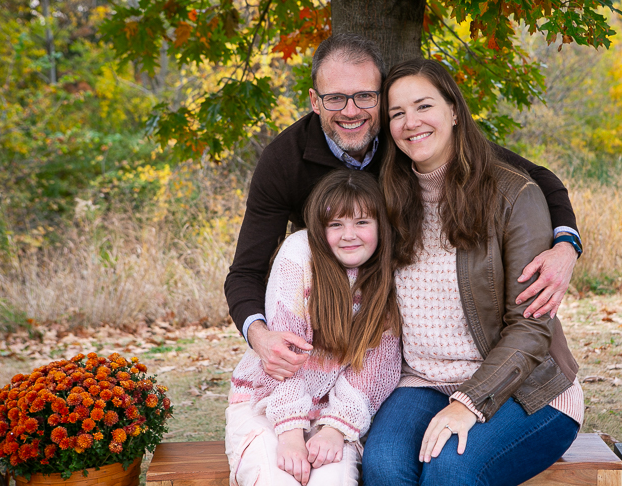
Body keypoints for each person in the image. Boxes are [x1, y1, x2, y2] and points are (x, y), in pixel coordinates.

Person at [224, 33, 583, 382]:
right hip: (326, 324)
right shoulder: (283, 161)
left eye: (365, 96)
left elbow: (535, 177)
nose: (351, 111)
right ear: (315, 101)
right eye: (335, 98)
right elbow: (245, 272)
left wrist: (566, 245)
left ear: (381, 98)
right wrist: (260, 336)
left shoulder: (410, 137)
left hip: (398, 332)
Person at [361, 58, 583, 486]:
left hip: (526, 389)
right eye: (397, 113)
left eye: (424, 106)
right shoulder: (387, 198)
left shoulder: (513, 195)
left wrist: (469, 402)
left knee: (450, 471)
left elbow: (530, 328)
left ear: (454, 111)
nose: (411, 122)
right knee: (383, 467)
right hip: (422, 382)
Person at [225, 170, 402, 486]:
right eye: (336, 224)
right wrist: (291, 433)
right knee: (275, 479)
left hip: (334, 415)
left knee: (333, 480)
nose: (349, 235)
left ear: (381, 226)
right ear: (320, 229)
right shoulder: (299, 255)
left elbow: (375, 369)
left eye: (362, 222)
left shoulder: (387, 275)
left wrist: (336, 428)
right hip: (265, 404)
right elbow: (284, 356)